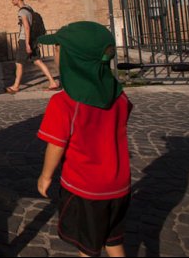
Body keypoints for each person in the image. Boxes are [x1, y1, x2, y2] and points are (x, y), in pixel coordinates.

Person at [36, 21, 132, 257]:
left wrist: (45, 176)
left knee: (87, 249)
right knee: (113, 240)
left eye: (57, 49)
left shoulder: (63, 103)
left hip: (85, 189)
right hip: (119, 185)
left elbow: (56, 144)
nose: (55, 54)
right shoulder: (119, 97)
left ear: (72, 58)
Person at [6, 0, 59, 93]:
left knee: (19, 63)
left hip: (25, 40)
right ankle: (52, 82)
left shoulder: (22, 11)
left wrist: (26, 44)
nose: (12, 1)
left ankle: (15, 86)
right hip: (33, 39)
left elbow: (26, 27)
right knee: (37, 61)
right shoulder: (29, 8)